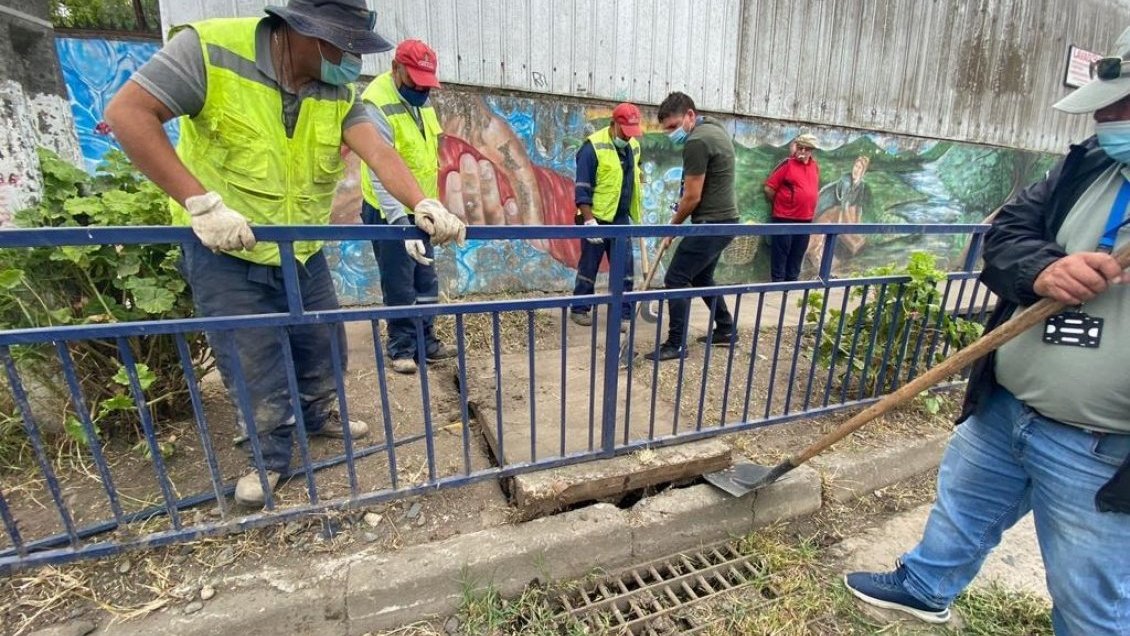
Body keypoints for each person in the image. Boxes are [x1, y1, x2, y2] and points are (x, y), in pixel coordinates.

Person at [104, 0, 465, 507]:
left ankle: (316, 417)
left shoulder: (337, 91)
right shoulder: (209, 50)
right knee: (253, 356)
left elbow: (379, 152)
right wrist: (198, 202)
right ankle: (268, 456)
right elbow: (127, 114)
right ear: (306, 33)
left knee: (322, 342)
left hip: (302, 247)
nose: (353, 61)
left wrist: (420, 202)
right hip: (228, 246)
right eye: (345, 47)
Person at [844, 27, 1130, 634]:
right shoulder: (1087, 166)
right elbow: (1004, 235)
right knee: (961, 507)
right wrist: (1044, 269)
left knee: (1090, 597)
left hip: (1104, 450)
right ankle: (926, 586)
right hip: (1007, 406)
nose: (1105, 119)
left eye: (1122, 107)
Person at [359, 39, 458, 375]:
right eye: (415, 81)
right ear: (395, 68)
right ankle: (401, 346)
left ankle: (425, 340)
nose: (421, 89)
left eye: (426, 84)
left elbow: (426, 157)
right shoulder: (376, 102)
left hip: (421, 209)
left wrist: (434, 208)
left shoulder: (422, 102)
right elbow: (379, 168)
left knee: (426, 279)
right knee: (399, 281)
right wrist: (399, 222)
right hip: (388, 210)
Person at [645, 92, 739, 361]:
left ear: (690, 115)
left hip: (711, 224)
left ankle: (675, 344)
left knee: (676, 279)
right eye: (666, 129)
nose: (671, 133)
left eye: (674, 126)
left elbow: (692, 197)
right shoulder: (714, 128)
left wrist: (672, 228)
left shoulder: (696, 141)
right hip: (726, 222)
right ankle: (726, 329)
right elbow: (694, 190)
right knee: (701, 277)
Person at [569, 103, 644, 328]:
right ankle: (580, 308)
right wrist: (589, 221)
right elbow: (582, 188)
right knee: (589, 265)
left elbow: (634, 173)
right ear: (614, 124)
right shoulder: (592, 148)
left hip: (620, 217)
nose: (629, 137)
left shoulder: (633, 146)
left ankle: (622, 314)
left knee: (625, 269)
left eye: (632, 133)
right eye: (625, 132)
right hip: (596, 217)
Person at [764, 133, 820, 282]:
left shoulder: (814, 166)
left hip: (805, 219)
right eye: (800, 148)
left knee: (798, 252)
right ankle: (778, 284)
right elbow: (769, 188)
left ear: (811, 151)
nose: (802, 151)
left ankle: (792, 283)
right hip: (784, 218)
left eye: (806, 149)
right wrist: (783, 204)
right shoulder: (787, 164)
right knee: (781, 253)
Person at [804, 155, 871, 276]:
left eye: (859, 168)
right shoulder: (846, 181)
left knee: (836, 240)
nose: (856, 169)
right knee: (817, 239)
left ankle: (824, 268)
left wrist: (857, 227)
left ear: (863, 171)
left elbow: (858, 207)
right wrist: (849, 228)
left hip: (837, 213)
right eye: (855, 166)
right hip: (826, 209)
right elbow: (844, 206)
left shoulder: (861, 185)